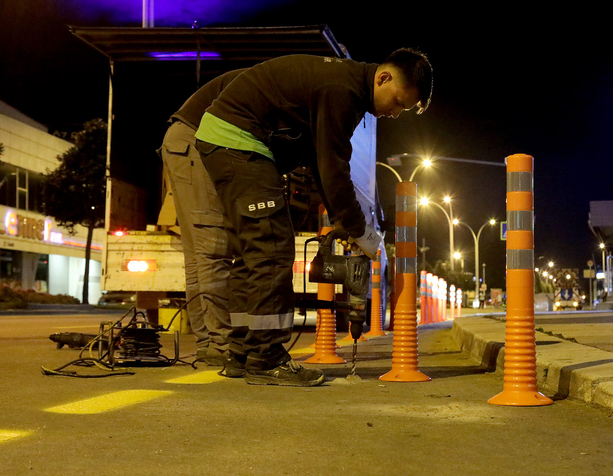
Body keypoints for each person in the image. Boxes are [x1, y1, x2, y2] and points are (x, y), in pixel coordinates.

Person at [195, 48, 433, 387]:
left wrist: (343, 219)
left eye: (402, 110)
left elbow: (323, 162)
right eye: (397, 102)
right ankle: (265, 358)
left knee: (252, 255)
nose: (395, 114)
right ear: (383, 77)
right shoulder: (342, 91)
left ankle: (243, 352)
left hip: (226, 139)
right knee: (271, 250)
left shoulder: (344, 87)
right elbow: (333, 168)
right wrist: (359, 229)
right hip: (239, 140)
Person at [158, 69, 247, 373]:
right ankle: (220, 345)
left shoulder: (265, 81)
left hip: (181, 143)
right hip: (195, 144)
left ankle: (207, 345)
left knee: (198, 257)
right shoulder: (273, 91)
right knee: (213, 248)